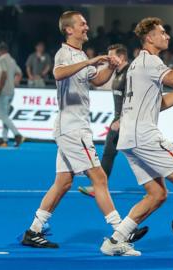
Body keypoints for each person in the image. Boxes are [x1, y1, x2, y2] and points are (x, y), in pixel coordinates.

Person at [20, 11, 143, 256]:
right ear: (69, 30)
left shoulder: (79, 55)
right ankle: (120, 232)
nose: (87, 27)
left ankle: (34, 230)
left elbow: (96, 81)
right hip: (73, 128)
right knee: (99, 178)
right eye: (82, 24)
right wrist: (89, 61)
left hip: (71, 127)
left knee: (63, 182)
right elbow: (57, 73)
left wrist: (109, 65)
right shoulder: (64, 53)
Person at [103, 17, 173, 258]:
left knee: (157, 194)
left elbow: (160, 103)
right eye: (162, 33)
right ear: (149, 38)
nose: (166, 36)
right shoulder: (150, 61)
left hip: (129, 138)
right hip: (144, 134)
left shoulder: (138, 64)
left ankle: (116, 239)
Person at [78, 44, 130, 197]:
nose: (108, 60)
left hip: (126, 120)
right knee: (112, 152)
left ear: (121, 58)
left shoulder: (129, 74)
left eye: (111, 56)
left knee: (111, 152)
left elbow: (132, 98)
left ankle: (99, 187)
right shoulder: (117, 73)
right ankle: (98, 186)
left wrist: (121, 119)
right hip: (120, 119)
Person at [0, 42, 24, 147]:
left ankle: (17, 135)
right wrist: (14, 83)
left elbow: (3, 74)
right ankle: (4, 140)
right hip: (11, 92)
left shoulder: (1, 59)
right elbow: (19, 73)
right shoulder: (12, 60)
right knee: (5, 115)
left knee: (2, 115)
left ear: (0, 50)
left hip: (3, 92)